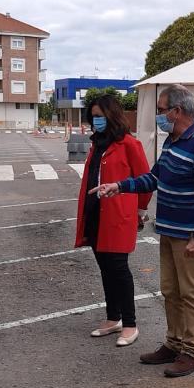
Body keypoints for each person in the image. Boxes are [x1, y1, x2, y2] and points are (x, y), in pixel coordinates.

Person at [93, 83, 194, 378]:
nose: (159, 116)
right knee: (171, 291)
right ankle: (174, 343)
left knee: (191, 293)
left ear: (177, 111)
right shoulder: (173, 141)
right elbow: (153, 178)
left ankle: (191, 351)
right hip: (169, 230)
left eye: (162, 111)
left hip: (189, 235)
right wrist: (120, 186)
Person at [74, 94, 151, 347]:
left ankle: (130, 324)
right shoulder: (98, 144)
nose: (96, 121)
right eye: (93, 117)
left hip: (119, 215)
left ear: (112, 116)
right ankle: (113, 317)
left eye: (100, 116)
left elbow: (145, 181)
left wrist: (141, 211)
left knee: (119, 269)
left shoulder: (130, 144)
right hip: (96, 214)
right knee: (105, 268)